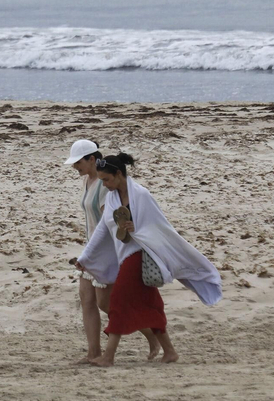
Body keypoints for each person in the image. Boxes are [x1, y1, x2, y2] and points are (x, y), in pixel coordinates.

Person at [76, 152, 223, 366]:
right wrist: (85, 258)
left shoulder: (141, 195)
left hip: (141, 256)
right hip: (125, 257)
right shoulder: (112, 197)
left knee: (117, 301)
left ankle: (108, 356)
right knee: (149, 304)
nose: (105, 184)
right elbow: (102, 229)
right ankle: (169, 351)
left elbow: (158, 226)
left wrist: (138, 228)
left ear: (118, 174)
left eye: (107, 179)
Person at [65, 139, 160, 362]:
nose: (74, 167)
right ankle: (93, 352)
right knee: (86, 299)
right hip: (91, 248)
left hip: (105, 252)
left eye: (77, 162)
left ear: (91, 159)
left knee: (106, 304)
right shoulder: (89, 180)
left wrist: (89, 253)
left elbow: (107, 224)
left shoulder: (104, 184)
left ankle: (154, 336)